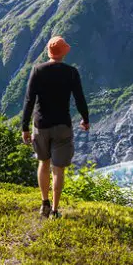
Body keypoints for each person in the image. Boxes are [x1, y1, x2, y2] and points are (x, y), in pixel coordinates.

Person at [22, 35, 89, 219]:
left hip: (41, 124)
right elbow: (79, 98)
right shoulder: (71, 72)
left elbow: (29, 101)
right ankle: (55, 210)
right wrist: (85, 118)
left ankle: (44, 203)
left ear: (49, 52)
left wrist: (25, 128)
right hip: (62, 125)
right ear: (64, 52)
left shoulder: (37, 70)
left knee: (43, 163)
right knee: (58, 169)